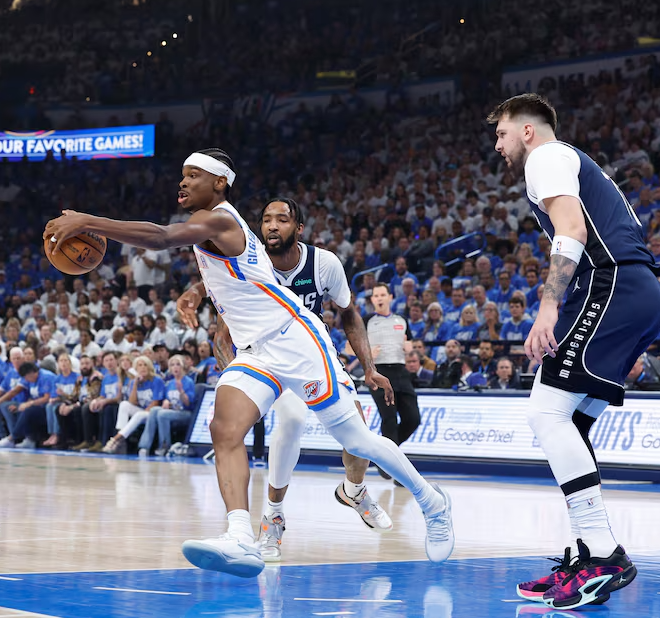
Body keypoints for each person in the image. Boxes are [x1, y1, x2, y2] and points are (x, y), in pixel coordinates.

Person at [45, 147, 453, 578]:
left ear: (220, 183)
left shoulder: (220, 219)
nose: (183, 182)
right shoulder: (221, 228)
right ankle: (241, 535)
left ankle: (432, 503)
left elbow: (162, 237)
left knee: (356, 439)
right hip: (256, 350)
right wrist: (196, 293)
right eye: (182, 174)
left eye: (193, 175)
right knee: (224, 428)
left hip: (294, 338)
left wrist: (87, 222)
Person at [489, 93, 660, 608]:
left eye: (501, 133)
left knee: (545, 414)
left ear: (527, 130)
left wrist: (548, 307)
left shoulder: (545, 156)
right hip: (631, 290)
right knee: (571, 425)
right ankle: (586, 556)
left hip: (610, 285)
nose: (497, 145)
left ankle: (605, 555)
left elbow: (572, 231)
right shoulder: (573, 162)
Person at [224, 197, 394, 561]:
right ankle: (273, 517)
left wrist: (368, 367)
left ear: (298, 228)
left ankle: (353, 490)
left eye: (281, 219)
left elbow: (349, 314)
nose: (272, 225)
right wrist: (238, 378)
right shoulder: (249, 263)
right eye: (266, 219)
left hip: (314, 356)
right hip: (269, 360)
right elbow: (223, 329)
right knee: (292, 420)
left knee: (359, 436)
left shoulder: (324, 263)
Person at [364, 283, 422, 477]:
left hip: (400, 371)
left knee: (413, 418)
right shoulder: (366, 320)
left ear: (390, 297)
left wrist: (409, 348)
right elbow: (348, 347)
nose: (379, 298)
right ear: (372, 300)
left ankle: (385, 456)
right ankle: (395, 468)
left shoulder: (401, 319)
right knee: (389, 418)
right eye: (376, 296)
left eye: (382, 295)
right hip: (378, 372)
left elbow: (409, 344)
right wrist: (366, 354)